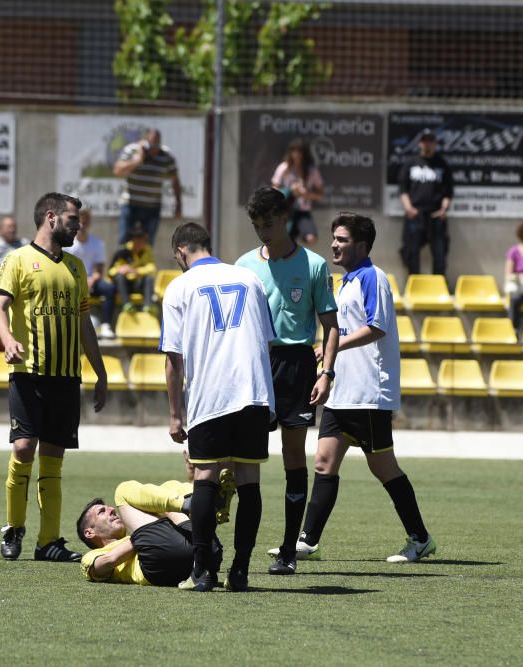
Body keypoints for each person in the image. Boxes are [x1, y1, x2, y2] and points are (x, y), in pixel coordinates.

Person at [293, 213, 437, 564]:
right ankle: (308, 541)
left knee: (383, 468)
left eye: (341, 239)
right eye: (334, 238)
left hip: (368, 393)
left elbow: (376, 327)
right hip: (343, 392)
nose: (334, 245)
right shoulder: (346, 283)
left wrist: (334, 345)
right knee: (324, 463)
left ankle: (420, 539)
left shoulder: (374, 278)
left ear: (361, 245)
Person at [0, 192, 108, 563]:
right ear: (52, 218)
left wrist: (101, 373)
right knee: (24, 448)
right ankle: (13, 527)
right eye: (74, 219)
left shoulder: (76, 267)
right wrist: (8, 339)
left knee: (53, 459)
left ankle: (48, 542)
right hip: (28, 374)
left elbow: (84, 323)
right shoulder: (18, 260)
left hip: (66, 378)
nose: (79, 226)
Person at [162, 221, 276, 592]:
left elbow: (174, 358)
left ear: (181, 251)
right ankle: (240, 570)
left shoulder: (179, 286)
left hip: (211, 394)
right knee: (249, 480)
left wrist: (175, 412)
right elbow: (267, 339)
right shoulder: (249, 278)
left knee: (206, 477)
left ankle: (203, 569)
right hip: (254, 392)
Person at [237, 186, 339, 577]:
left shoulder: (313, 265)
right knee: (246, 458)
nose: (262, 232)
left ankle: (288, 550)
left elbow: (331, 326)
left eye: (267, 224)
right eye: (256, 225)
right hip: (256, 362)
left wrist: (326, 371)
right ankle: (240, 549)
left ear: (284, 218)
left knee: (294, 456)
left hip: (296, 365)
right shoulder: (244, 265)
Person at [77, 475, 235, 587]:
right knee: (122, 491)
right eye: (101, 512)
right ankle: (199, 502)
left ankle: (203, 499)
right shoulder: (91, 556)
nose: (111, 509)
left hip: (203, 556)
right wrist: (136, 539)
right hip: (155, 563)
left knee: (168, 488)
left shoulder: (144, 533)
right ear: (89, 533)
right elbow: (108, 562)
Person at [398, 128, 454, 277]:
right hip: (415, 215)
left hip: (436, 215)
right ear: (420, 143)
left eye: (430, 141)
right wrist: (408, 208)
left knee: (440, 254)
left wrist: (444, 210)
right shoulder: (411, 163)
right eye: (424, 141)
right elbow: (403, 190)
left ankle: (439, 287)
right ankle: (414, 286)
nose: (427, 144)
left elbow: (448, 192)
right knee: (412, 253)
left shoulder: (442, 164)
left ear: (435, 143)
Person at [112, 128, 181, 247]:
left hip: (152, 207)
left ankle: (144, 265)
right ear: (145, 142)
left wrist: (178, 204)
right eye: (151, 145)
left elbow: (175, 180)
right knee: (124, 242)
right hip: (130, 205)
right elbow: (117, 170)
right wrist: (137, 161)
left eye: (156, 145)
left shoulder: (166, 156)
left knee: (148, 244)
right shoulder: (132, 150)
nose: (153, 149)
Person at [64, 208, 117, 337]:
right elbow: (62, 267)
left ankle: (106, 325)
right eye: (79, 221)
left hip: (91, 280)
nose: (82, 225)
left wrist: (92, 280)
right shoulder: (66, 244)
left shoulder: (97, 244)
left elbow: (100, 269)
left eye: (85, 222)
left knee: (109, 289)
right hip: (72, 280)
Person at [271, 138, 324, 247]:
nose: (296, 155)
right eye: (293, 151)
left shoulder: (311, 170)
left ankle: (298, 243)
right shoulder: (284, 168)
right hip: (286, 211)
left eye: (299, 151)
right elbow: (273, 190)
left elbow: (320, 194)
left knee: (311, 238)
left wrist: (306, 194)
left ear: (304, 153)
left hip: (302, 212)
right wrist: (289, 191)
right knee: (282, 243)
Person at [108, 226, 157, 316]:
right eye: (143, 240)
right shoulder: (122, 251)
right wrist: (120, 269)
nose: (145, 242)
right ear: (134, 240)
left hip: (138, 283)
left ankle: (148, 306)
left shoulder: (147, 250)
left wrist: (135, 271)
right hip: (125, 285)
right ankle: (126, 304)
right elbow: (110, 271)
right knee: (119, 277)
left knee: (149, 278)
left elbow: (152, 268)